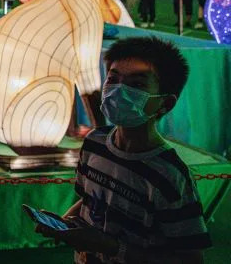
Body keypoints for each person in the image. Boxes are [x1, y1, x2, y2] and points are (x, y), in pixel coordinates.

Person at [36, 37, 210, 263]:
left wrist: (110, 247)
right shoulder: (94, 144)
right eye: (113, 79)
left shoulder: (170, 177)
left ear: (165, 104)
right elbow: (90, 200)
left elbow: (190, 258)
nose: (118, 91)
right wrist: (64, 223)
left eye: (137, 85)